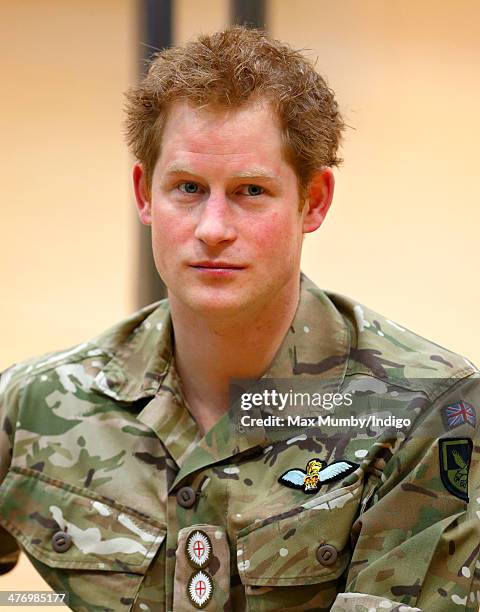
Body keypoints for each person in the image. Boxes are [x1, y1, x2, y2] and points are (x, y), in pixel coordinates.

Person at [0, 26, 478, 612]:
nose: (213, 228)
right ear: (144, 194)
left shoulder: (425, 414)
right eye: (188, 188)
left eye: (251, 191)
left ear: (315, 200)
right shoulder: (32, 405)